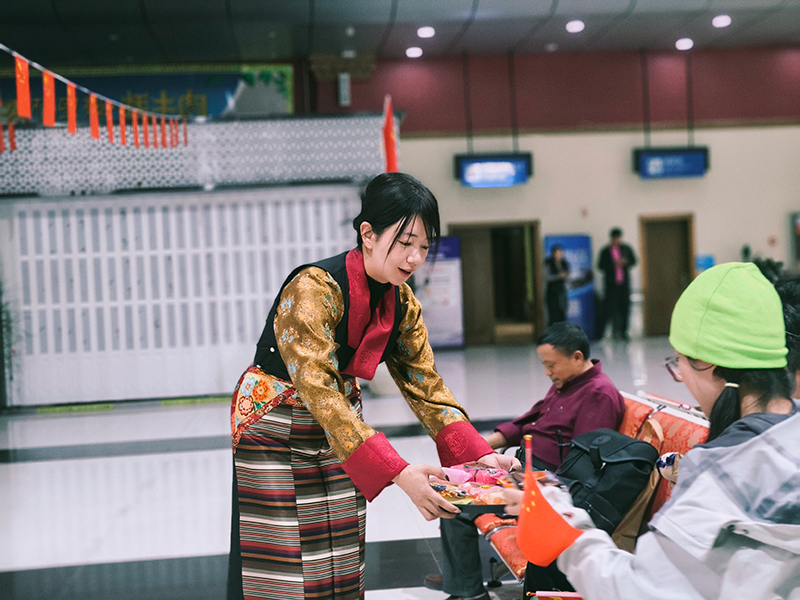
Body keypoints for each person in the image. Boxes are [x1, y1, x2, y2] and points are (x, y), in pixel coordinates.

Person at [228, 172, 518, 600]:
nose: (415, 257)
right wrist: (399, 472)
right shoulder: (313, 288)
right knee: (289, 555)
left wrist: (481, 457)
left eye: (424, 246)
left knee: (342, 544)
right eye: (405, 242)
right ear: (367, 233)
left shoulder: (401, 302)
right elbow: (318, 388)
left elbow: (426, 386)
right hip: (274, 423)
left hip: (341, 426)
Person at [505, 262, 800, 599]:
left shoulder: (719, 475)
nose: (682, 377)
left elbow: (639, 591)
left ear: (708, 363)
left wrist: (562, 524)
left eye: (679, 363)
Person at [424, 322, 625, 600]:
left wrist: (533, 484)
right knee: (452, 489)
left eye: (551, 365)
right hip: (522, 471)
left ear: (577, 357)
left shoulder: (598, 395)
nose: (547, 372)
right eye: (543, 364)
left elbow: (582, 463)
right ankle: (461, 578)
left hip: (545, 485)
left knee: (458, 504)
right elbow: (531, 422)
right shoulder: (567, 383)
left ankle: (465, 588)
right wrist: (480, 448)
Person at [597, 227, 636, 340]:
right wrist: (612, 264)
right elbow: (600, 266)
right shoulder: (605, 251)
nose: (617, 240)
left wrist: (625, 262)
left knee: (625, 308)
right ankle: (602, 333)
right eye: (615, 238)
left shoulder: (626, 249)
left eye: (618, 238)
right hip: (611, 286)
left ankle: (623, 332)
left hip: (624, 284)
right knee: (608, 309)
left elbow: (634, 261)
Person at [545, 245, 570, 325]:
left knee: (562, 312)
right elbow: (546, 277)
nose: (558, 255)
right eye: (557, 253)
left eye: (560, 253)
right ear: (553, 254)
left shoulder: (564, 263)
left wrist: (565, 276)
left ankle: (563, 333)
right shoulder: (548, 263)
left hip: (562, 291)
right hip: (552, 292)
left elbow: (568, 275)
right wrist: (558, 276)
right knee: (553, 314)